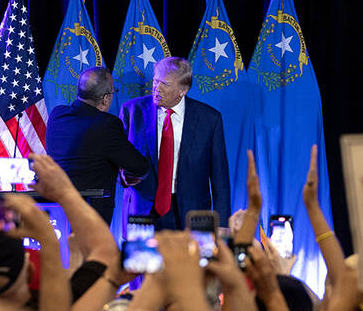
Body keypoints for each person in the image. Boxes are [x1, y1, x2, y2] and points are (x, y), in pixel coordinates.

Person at [119, 57, 231, 229]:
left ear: (183, 90)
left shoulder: (209, 119)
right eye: (156, 81)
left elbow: (219, 176)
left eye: (165, 84)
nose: (157, 88)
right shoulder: (132, 111)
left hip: (191, 214)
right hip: (143, 211)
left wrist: (222, 224)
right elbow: (118, 155)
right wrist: (123, 173)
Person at [44, 67, 151, 223]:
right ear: (106, 99)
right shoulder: (106, 124)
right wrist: (126, 170)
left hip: (57, 211)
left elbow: (88, 152)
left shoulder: (57, 115)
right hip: (90, 216)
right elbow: (139, 166)